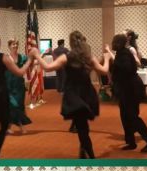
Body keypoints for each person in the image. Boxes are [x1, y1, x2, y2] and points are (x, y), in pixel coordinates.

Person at [31, 31, 109, 159]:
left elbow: (48, 68)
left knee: (82, 128)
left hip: (74, 95)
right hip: (87, 94)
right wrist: (106, 58)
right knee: (83, 126)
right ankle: (84, 152)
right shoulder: (89, 57)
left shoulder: (66, 57)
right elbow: (104, 71)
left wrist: (37, 55)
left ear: (71, 43)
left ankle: (90, 157)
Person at [104, 34, 147, 153]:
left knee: (133, 117)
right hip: (127, 89)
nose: (112, 44)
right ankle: (131, 142)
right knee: (125, 116)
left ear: (118, 43)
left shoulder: (124, 54)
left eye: (114, 42)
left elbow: (127, 70)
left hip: (130, 90)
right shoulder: (121, 53)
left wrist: (114, 65)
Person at [6, 39, 32, 135]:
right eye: (13, 44)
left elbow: (31, 61)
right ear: (9, 46)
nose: (15, 45)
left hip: (19, 87)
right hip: (8, 86)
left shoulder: (22, 57)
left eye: (16, 44)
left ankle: (7, 127)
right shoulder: (5, 58)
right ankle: (21, 126)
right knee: (14, 106)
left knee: (19, 106)